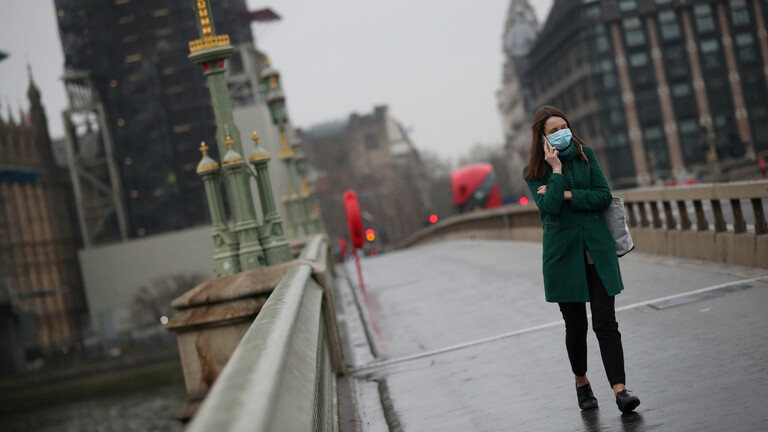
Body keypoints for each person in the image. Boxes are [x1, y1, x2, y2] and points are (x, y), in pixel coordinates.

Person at [523, 105, 641, 414]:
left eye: (564, 127)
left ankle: (620, 390)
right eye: (553, 130)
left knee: (606, 322)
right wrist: (556, 171)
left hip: (596, 252)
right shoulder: (534, 173)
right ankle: (582, 382)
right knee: (575, 327)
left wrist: (569, 195)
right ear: (542, 138)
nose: (561, 133)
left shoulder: (585, 154)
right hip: (563, 259)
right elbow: (549, 207)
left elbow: (603, 195)